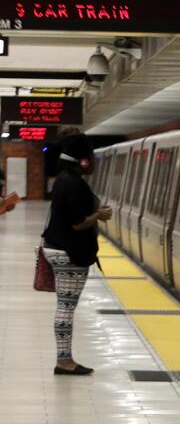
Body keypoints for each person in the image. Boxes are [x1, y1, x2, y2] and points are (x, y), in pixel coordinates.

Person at [41, 133, 111, 375]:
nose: (93, 162)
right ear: (82, 161)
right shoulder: (75, 184)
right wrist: (99, 216)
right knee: (66, 308)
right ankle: (64, 361)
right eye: (90, 158)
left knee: (64, 306)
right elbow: (78, 224)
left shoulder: (62, 180)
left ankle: (64, 359)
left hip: (56, 247)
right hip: (68, 252)